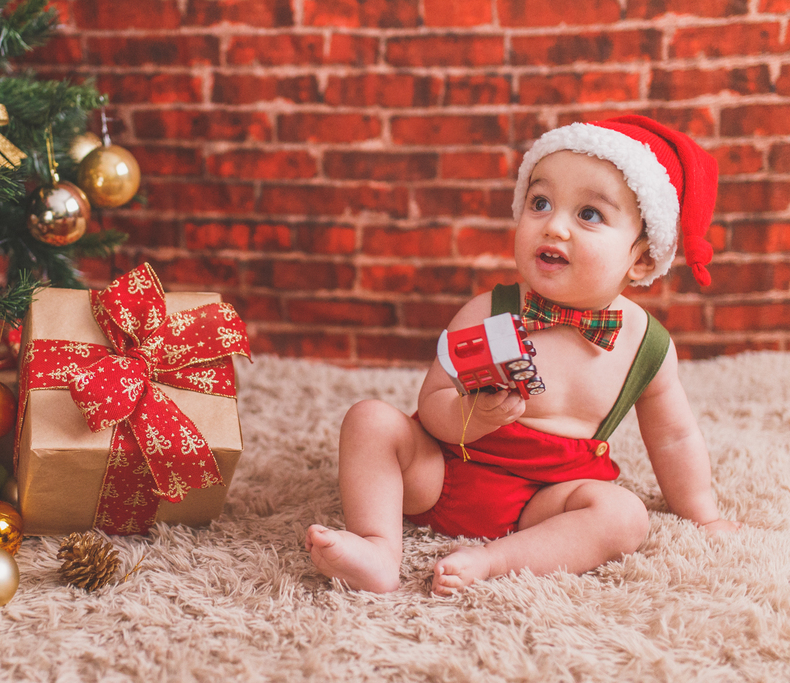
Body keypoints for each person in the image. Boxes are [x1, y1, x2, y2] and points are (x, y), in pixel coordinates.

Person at [306, 115, 743, 596]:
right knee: (369, 420)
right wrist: (470, 415)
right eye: (540, 203)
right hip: (449, 471)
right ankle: (379, 547)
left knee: (623, 516)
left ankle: (494, 560)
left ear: (640, 258)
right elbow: (431, 405)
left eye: (589, 214)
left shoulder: (646, 345)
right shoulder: (489, 310)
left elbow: (675, 439)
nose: (554, 226)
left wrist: (705, 515)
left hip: (546, 503)